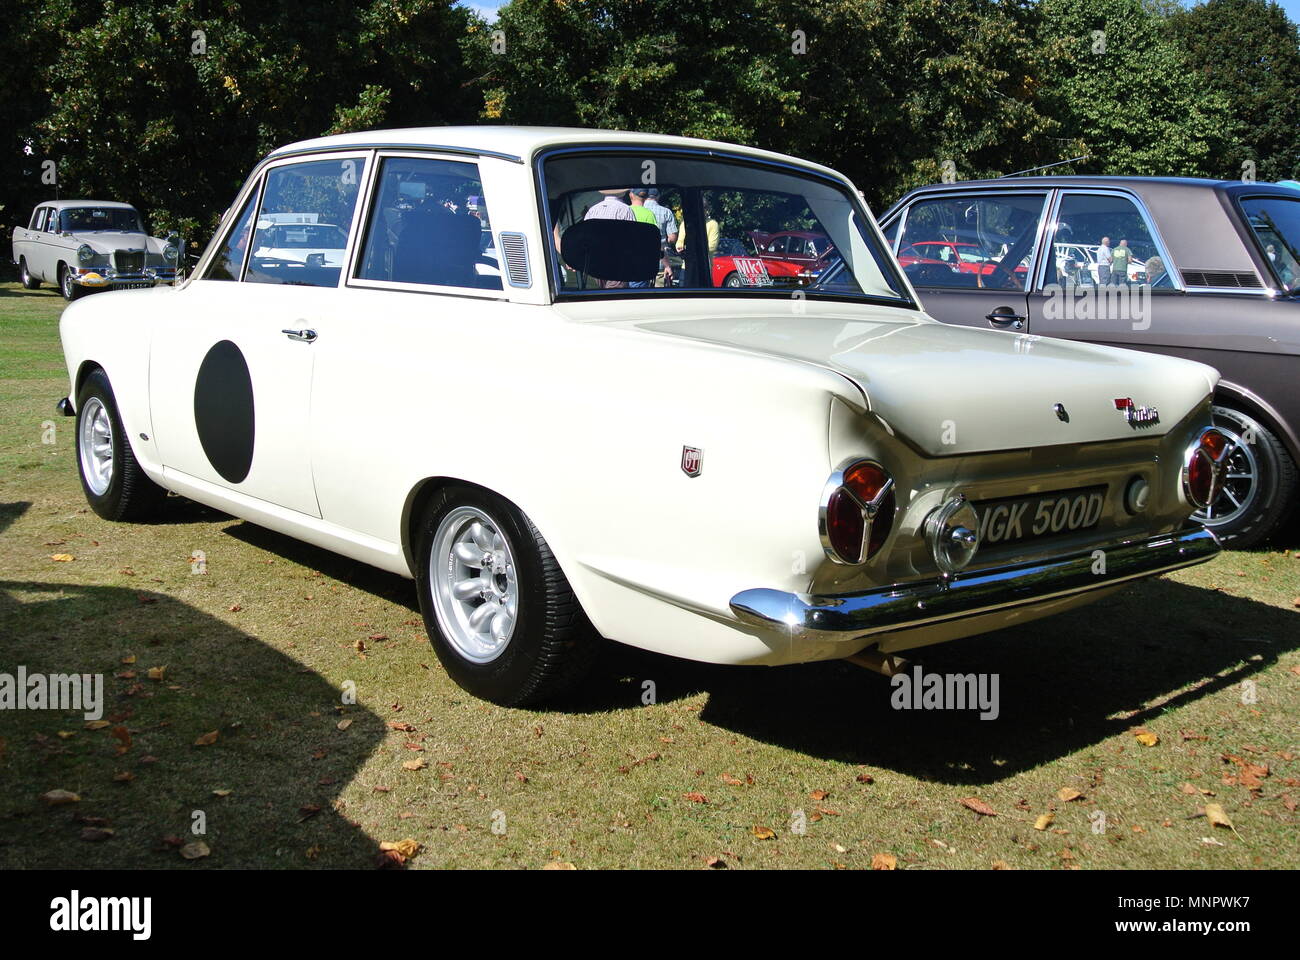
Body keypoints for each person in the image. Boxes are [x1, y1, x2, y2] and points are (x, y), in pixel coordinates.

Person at [582, 189, 635, 288]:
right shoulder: (625, 209)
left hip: (596, 260)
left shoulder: (593, 209)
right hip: (618, 260)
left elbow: (586, 235)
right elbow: (631, 237)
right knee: (616, 295)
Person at [643, 188, 679, 286]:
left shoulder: (638, 210)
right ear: (658, 197)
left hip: (640, 260)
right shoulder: (666, 212)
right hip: (661, 260)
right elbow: (672, 238)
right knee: (658, 295)